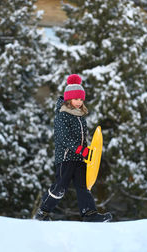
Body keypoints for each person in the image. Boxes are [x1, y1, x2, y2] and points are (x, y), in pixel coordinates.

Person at [36, 74, 112, 222]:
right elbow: (64, 138)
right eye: (76, 99)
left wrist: (87, 151)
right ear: (68, 99)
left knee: (83, 186)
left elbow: (81, 139)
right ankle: (42, 212)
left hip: (79, 158)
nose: (79, 102)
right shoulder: (62, 116)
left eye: (81, 99)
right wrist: (81, 150)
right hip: (65, 158)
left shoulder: (80, 117)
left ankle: (89, 213)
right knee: (60, 187)